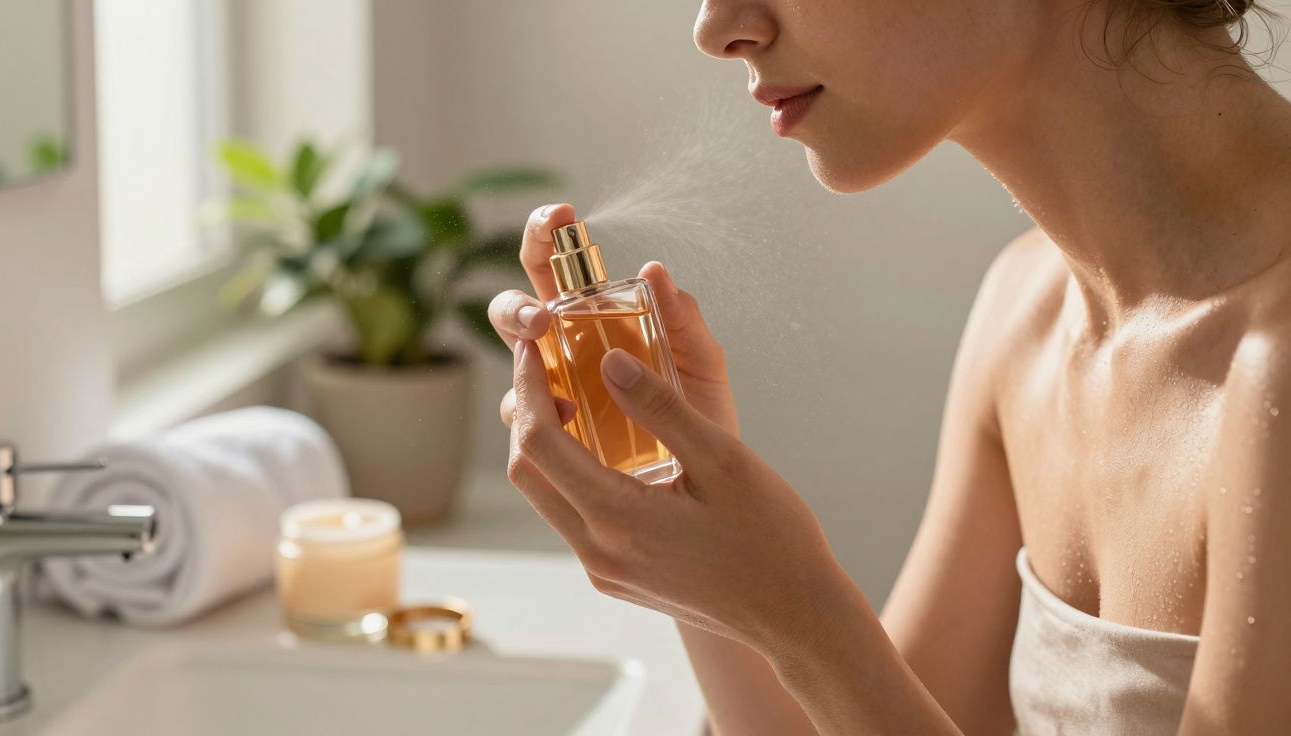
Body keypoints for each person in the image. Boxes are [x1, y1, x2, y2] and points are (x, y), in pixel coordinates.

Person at [487, 0, 1291, 733]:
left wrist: (804, 622)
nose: (716, 24)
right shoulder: (1030, 315)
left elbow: (842, 676)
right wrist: (681, 503)